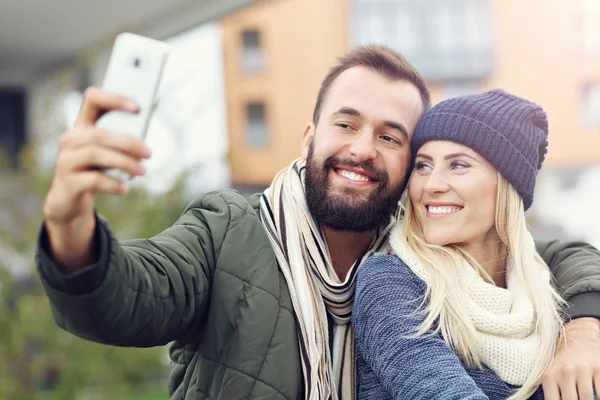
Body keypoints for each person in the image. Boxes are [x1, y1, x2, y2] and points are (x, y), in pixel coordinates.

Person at [36, 45, 600, 400]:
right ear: (309, 139)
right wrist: (69, 222)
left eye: (389, 136)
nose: (361, 149)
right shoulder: (228, 230)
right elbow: (128, 298)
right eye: (345, 125)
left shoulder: (432, 240)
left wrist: (584, 330)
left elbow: (555, 255)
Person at [353, 89, 600, 400]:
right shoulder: (389, 282)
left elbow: (578, 257)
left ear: (507, 185)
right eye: (423, 165)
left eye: (458, 165)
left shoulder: (547, 293)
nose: (432, 184)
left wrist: (583, 334)